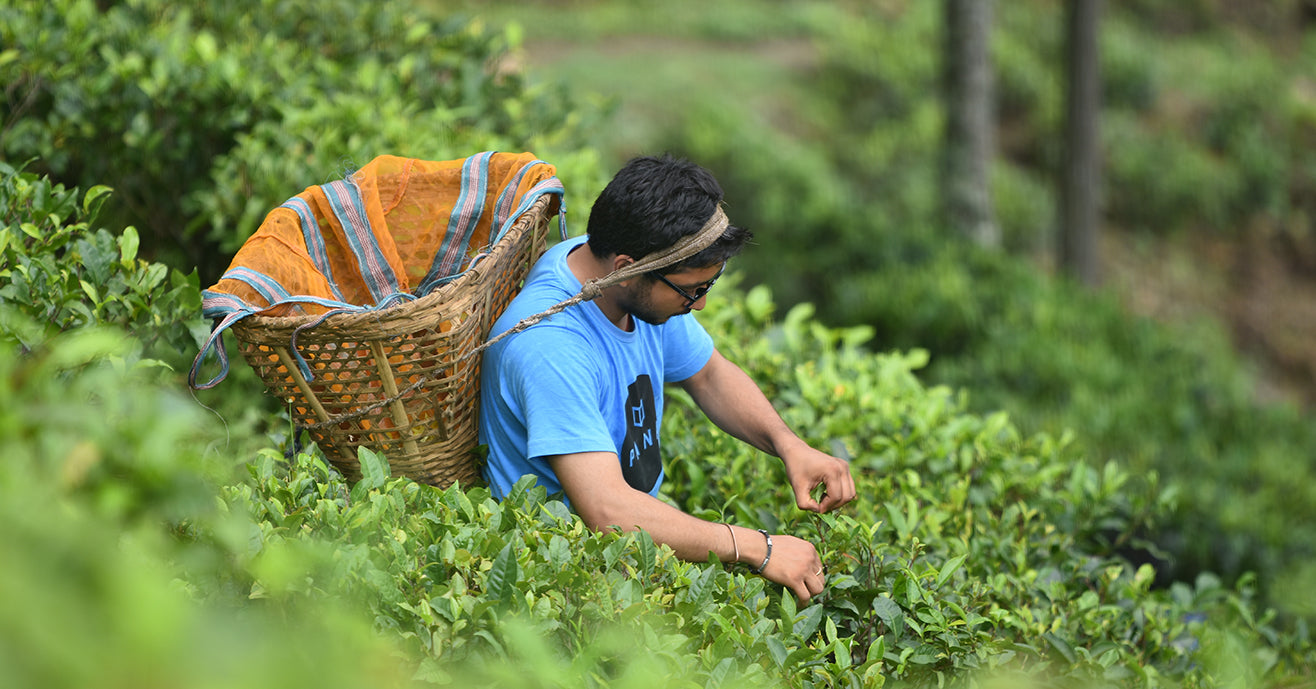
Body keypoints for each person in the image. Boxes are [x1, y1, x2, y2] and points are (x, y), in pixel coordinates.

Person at [478, 154, 856, 604]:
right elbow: (608, 510)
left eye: (707, 288)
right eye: (691, 291)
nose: (698, 306)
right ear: (624, 268)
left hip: (640, 538)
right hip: (564, 576)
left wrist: (788, 445)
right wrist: (761, 548)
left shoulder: (620, 273)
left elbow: (709, 373)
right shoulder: (550, 345)